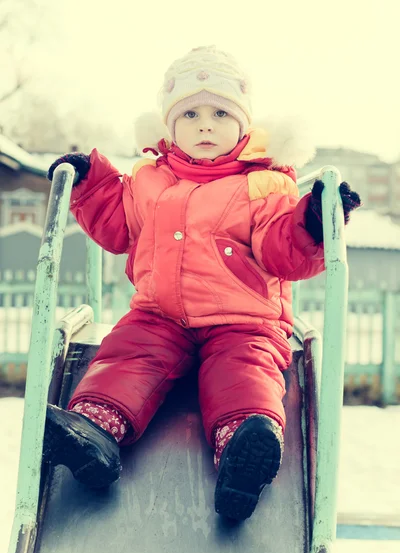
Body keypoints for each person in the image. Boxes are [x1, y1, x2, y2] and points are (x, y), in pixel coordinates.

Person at [44, 45, 361, 521]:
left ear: (244, 125)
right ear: (169, 125)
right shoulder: (149, 179)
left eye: (219, 113)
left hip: (243, 321)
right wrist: (92, 185)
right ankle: (95, 432)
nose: (205, 125)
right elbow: (117, 226)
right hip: (158, 315)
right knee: (126, 354)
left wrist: (313, 221)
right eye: (189, 113)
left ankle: (244, 451)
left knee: (244, 372)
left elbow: (281, 250)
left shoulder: (265, 183)